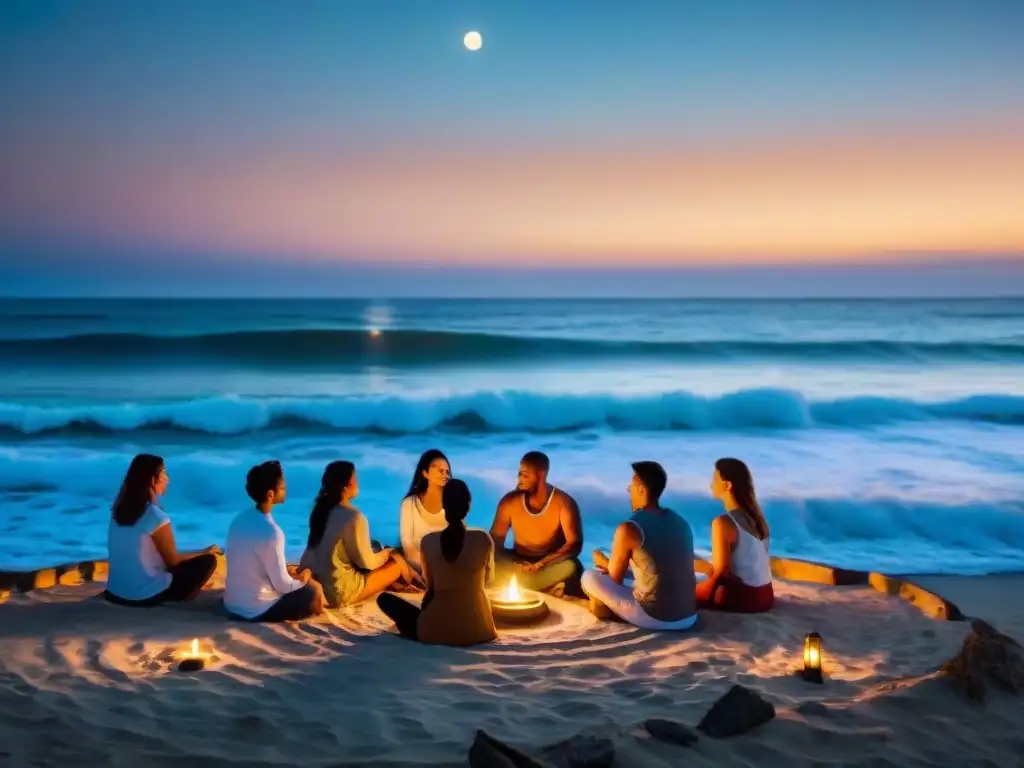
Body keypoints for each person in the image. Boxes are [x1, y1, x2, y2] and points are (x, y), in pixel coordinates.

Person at [377, 478, 497, 646]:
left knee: (384, 599)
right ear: (468, 506)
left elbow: (431, 586)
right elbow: (488, 580)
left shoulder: (429, 542)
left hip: (434, 631)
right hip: (480, 630)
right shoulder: (483, 539)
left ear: (444, 506)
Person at [580, 461, 698, 631]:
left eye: (632, 485)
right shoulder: (680, 521)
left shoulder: (629, 528)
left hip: (656, 617)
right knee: (645, 571)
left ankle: (605, 610)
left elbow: (615, 579)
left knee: (590, 576)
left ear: (642, 490)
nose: (628, 490)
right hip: (689, 616)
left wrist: (603, 561)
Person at [299, 460, 421, 607]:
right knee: (396, 563)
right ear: (346, 486)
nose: (358, 482)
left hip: (316, 580)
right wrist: (387, 554)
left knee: (376, 545)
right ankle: (418, 583)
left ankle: (407, 579)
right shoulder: (354, 517)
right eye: (355, 478)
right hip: (339, 592)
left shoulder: (320, 510)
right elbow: (368, 563)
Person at [104, 454, 218, 607]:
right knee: (208, 561)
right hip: (143, 597)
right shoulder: (155, 516)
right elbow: (173, 561)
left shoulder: (117, 511)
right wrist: (204, 552)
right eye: (164, 473)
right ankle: (181, 597)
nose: (168, 479)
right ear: (152, 480)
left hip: (115, 593)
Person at [224, 460, 325, 622]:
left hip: (231, 605)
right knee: (311, 591)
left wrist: (290, 574)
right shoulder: (272, 532)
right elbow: (283, 586)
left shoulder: (239, 520)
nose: (286, 490)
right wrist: (305, 578)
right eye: (283, 488)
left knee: (292, 571)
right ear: (271, 494)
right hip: (255, 612)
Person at [489, 451, 583, 595]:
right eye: (519, 474)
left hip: (549, 565)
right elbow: (494, 543)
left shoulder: (563, 503)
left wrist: (541, 563)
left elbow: (574, 544)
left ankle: (526, 584)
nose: (519, 479)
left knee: (572, 566)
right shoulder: (509, 502)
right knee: (488, 562)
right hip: (518, 562)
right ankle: (543, 587)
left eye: (525, 475)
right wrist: (516, 564)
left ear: (540, 475)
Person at [695, 458, 774, 613]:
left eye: (715, 479)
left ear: (727, 485)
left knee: (677, 589)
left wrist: (696, 594)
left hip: (745, 598)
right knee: (699, 566)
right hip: (766, 595)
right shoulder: (758, 518)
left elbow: (722, 574)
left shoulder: (722, 523)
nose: (711, 485)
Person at [399, 449, 451, 572]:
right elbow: (408, 548)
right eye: (440, 470)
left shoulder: (453, 502)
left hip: (449, 567)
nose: (445, 475)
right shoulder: (409, 504)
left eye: (447, 472)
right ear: (425, 473)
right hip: (419, 567)